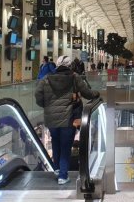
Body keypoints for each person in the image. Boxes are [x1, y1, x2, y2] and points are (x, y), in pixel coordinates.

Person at [35, 55, 100, 185]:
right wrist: (96, 94)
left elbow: (38, 95)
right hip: (69, 117)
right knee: (65, 145)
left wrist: (46, 106)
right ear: (70, 65)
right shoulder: (74, 77)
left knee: (56, 141)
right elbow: (86, 92)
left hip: (51, 118)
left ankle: (57, 169)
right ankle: (63, 176)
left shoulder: (46, 78)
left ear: (58, 65)